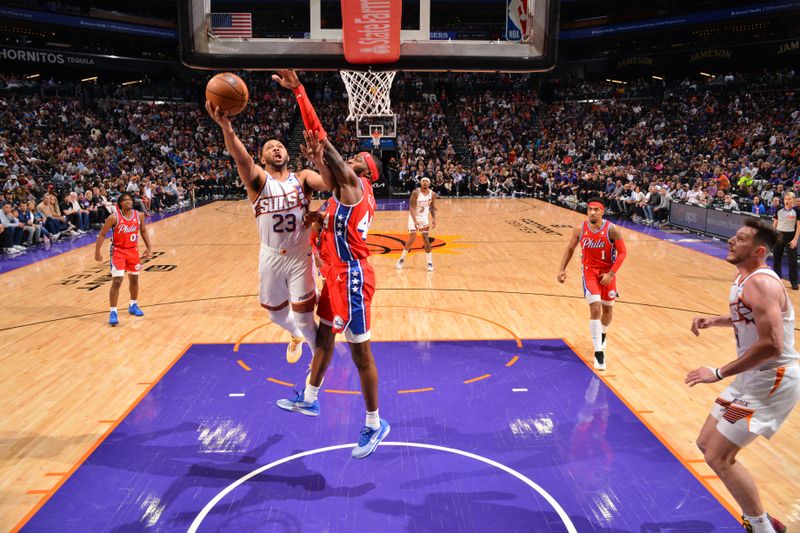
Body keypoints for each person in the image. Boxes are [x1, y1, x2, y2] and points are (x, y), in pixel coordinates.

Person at [273, 69, 390, 459]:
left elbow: (323, 141)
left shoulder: (355, 188)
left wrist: (300, 93)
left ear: (364, 173)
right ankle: (309, 396)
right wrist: (319, 222)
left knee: (360, 353)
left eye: (358, 159)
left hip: (353, 278)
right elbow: (325, 173)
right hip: (337, 275)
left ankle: (375, 423)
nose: (352, 158)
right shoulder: (342, 193)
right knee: (324, 337)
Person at [686, 218, 798, 533]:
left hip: (772, 380)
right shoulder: (742, 277)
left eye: (742, 238)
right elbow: (745, 314)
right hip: (751, 378)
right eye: (735, 235)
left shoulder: (762, 282)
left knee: (720, 457)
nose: (732, 240)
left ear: (759, 250)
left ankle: (760, 527)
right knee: (707, 444)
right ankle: (765, 522)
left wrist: (718, 372)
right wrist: (715, 321)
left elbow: (773, 345)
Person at [205, 97, 333, 364]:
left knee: (304, 315)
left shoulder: (303, 178)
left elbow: (329, 183)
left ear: (287, 155)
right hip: (271, 255)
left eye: (280, 146)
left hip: (300, 255)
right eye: (270, 147)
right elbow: (240, 157)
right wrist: (227, 128)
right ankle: (296, 335)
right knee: (275, 315)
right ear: (262, 158)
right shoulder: (258, 181)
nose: (276, 149)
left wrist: (320, 159)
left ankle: (317, 362)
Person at [557, 197, 627, 370]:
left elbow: (623, 253)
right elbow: (570, 249)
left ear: (602, 212)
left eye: (596, 209)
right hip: (589, 272)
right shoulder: (580, 229)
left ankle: (602, 335)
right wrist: (562, 269)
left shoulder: (612, 230)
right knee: (595, 307)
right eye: (590, 209)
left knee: (608, 309)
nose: (593, 212)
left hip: (608, 273)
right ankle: (598, 353)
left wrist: (611, 273)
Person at [94, 193, 152, 326]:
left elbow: (143, 231)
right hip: (118, 251)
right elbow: (102, 234)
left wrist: (149, 247)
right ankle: (113, 311)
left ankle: (133, 305)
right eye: (125, 200)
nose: (128, 202)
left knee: (134, 279)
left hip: (133, 251)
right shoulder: (114, 218)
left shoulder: (140, 215)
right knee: (117, 281)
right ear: (120, 203)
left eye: (130, 200)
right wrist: (97, 252)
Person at [396, 176, 437, 271]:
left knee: (426, 241)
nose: (425, 183)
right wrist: (415, 221)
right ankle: (401, 259)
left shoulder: (432, 194)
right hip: (414, 217)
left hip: (424, 219)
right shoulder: (415, 193)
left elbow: (432, 207)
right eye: (423, 181)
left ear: (429, 183)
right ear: (421, 183)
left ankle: (429, 262)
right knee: (411, 239)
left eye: (427, 181)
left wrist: (434, 219)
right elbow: (412, 208)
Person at [771, 192, 799, 290]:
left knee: (792, 260)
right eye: (786, 199)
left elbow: (799, 227)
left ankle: (794, 282)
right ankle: (777, 278)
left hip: (791, 236)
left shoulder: (797, 211)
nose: (787, 200)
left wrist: (795, 240)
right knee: (776, 258)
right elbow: (775, 224)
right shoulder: (778, 209)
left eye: (790, 199)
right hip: (779, 236)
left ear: (794, 200)